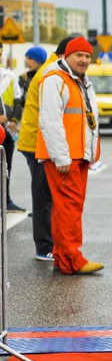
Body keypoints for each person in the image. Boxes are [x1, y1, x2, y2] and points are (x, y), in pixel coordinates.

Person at [36, 36, 103, 275]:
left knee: (65, 208)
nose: (84, 60)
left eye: (87, 56)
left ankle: (63, 257)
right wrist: (61, 157)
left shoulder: (79, 81)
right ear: (67, 56)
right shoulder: (56, 80)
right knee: (69, 208)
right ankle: (72, 259)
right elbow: (50, 120)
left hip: (77, 155)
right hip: (65, 157)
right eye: (79, 55)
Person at [18, 42, 62, 262]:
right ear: (67, 54)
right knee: (43, 195)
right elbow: (50, 114)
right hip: (37, 143)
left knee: (47, 195)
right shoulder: (51, 73)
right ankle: (44, 247)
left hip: (38, 142)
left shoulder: (51, 69)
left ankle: (48, 243)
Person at [0, 43, 25, 213]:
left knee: (6, 166)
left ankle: (5, 200)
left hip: (6, 129)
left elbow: (17, 99)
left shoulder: (8, 75)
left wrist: (15, 120)